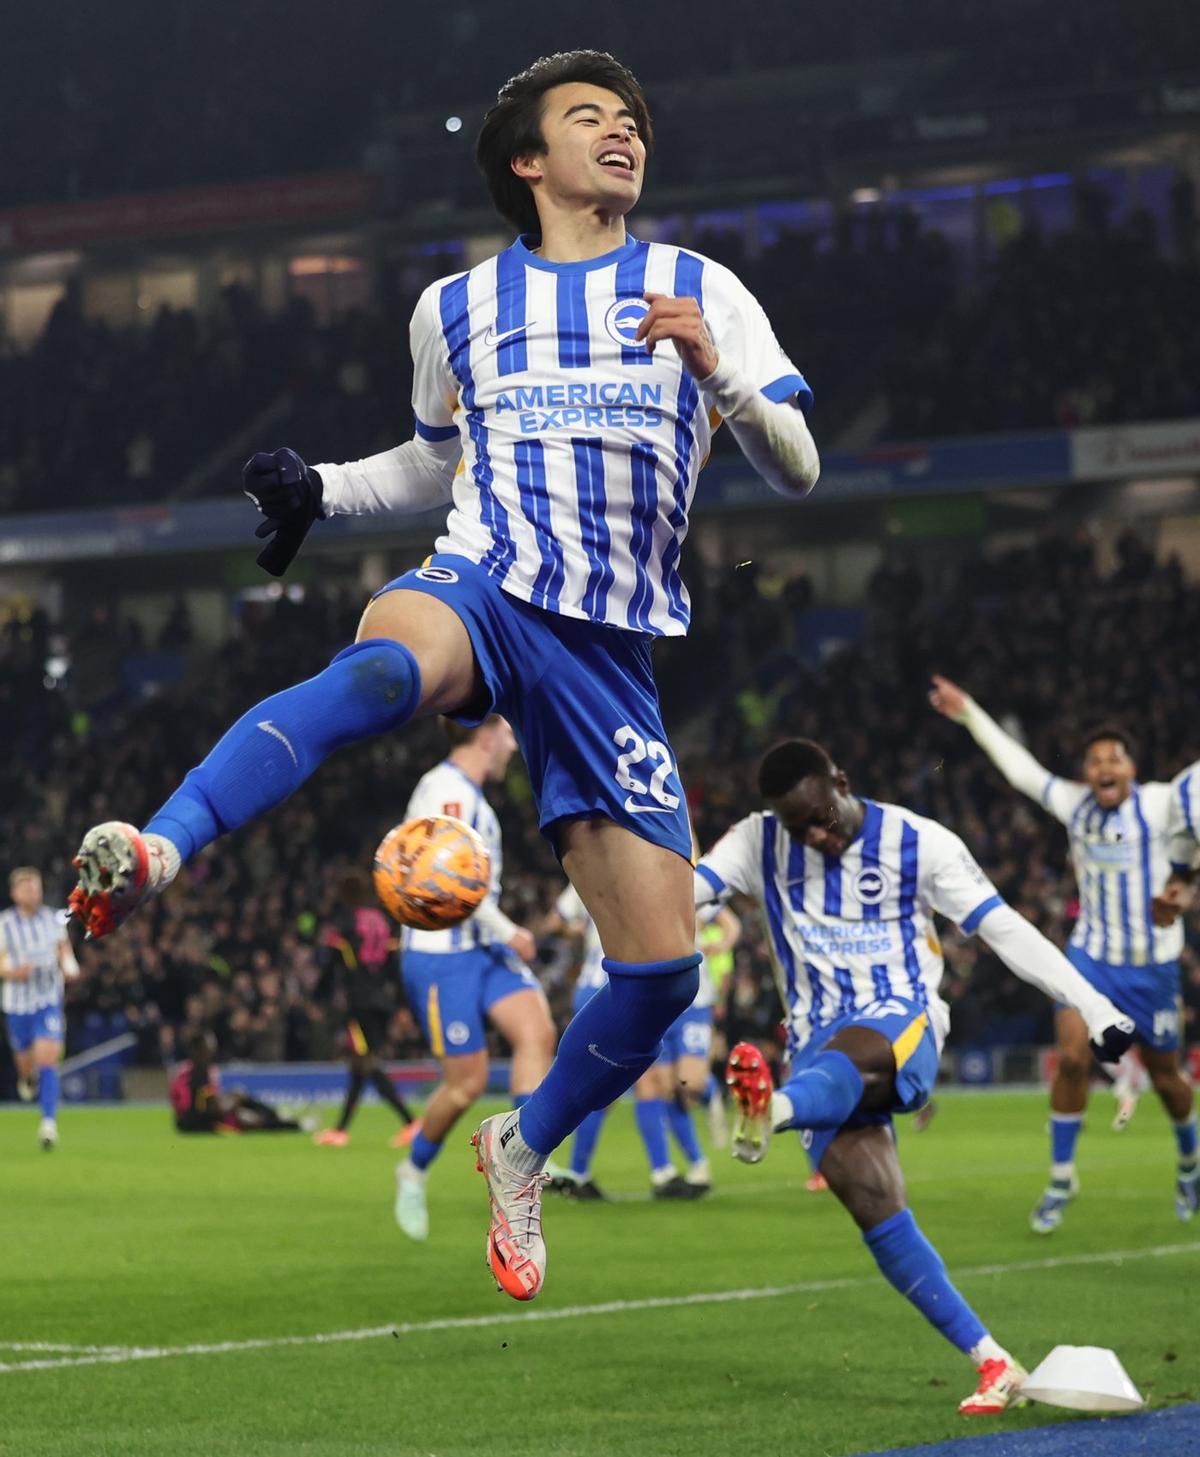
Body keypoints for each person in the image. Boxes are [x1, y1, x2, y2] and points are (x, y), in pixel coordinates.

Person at [68, 50, 818, 1302]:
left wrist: (718, 375)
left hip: (608, 645)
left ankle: (520, 1149)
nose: (622, 133)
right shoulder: (456, 307)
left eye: (631, 120)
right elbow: (433, 465)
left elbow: (796, 464)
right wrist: (326, 490)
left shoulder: (702, 287)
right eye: (591, 117)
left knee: (662, 977)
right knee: (379, 668)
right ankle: (161, 846)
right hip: (483, 575)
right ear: (527, 160)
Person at [697, 738, 1135, 1416]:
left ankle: (774, 1111)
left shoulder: (918, 841)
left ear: (842, 780)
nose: (818, 834)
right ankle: (994, 1359)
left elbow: (1005, 929)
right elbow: (685, 893)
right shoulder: (757, 843)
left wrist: (1094, 1004)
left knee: (860, 1048)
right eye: (800, 827)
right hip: (814, 1045)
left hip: (903, 1020)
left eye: (823, 815)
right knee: (876, 1205)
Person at [928, 676, 1200, 1229]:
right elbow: (1021, 770)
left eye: (1114, 759)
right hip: (1091, 960)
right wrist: (971, 712)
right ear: (1086, 771)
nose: (1104, 767)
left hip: (1153, 966)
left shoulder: (1161, 804)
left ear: (1131, 768)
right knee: (1073, 1058)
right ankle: (1060, 1178)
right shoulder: (1075, 805)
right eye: (1095, 759)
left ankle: (1190, 1163)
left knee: (1167, 1078)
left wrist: (1185, 888)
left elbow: (1192, 839)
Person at [393, 716, 558, 1241]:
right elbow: (448, 881)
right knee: (466, 1083)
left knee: (536, 1032)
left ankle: (519, 1165)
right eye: (509, 732)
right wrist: (510, 931)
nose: (514, 741)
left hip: (478, 947)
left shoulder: (468, 796)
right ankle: (413, 1172)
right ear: (486, 736)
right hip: (441, 951)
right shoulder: (447, 793)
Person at [314, 869, 420, 1148]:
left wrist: (317, 998)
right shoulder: (382, 922)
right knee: (359, 1067)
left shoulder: (344, 925)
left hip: (358, 1003)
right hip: (381, 1003)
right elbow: (393, 967)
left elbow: (333, 966)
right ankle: (340, 1131)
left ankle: (411, 1123)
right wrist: (401, 1005)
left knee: (367, 1063)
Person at [0, 867, 78, 1149]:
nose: (33, 892)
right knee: (27, 1067)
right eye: (27, 887)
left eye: (36, 886)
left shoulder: (53, 920)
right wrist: (12, 973)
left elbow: (64, 950)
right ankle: (26, 1079)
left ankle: (48, 1124)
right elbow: (1, 962)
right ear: (14, 893)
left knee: (48, 1060)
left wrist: (70, 968)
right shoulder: (4, 924)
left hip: (47, 1001)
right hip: (17, 1005)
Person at [170, 1029, 304, 1133]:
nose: (213, 1050)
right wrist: (232, 1105)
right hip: (202, 1125)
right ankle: (288, 1123)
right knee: (249, 1119)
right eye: (209, 1047)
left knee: (238, 1096)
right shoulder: (201, 1073)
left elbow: (191, 1102)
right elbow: (211, 1108)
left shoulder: (185, 1070)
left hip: (186, 1122)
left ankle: (279, 1117)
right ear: (201, 1050)